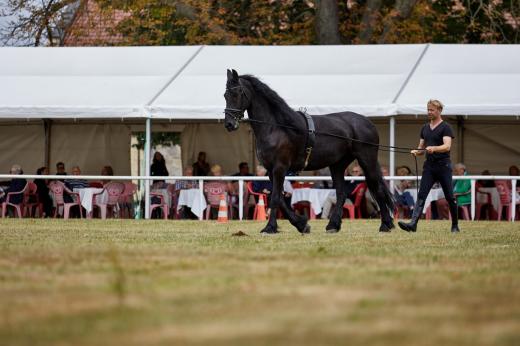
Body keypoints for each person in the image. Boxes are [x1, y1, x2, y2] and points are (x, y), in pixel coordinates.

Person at [398, 99, 460, 233]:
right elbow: (421, 149)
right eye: (428, 109)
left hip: (443, 166)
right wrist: (417, 151)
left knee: (449, 196)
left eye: (432, 110)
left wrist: (434, 148)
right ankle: (413, 224)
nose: (429, 112)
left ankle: (455, 225)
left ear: (439, 111)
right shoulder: (425, 128)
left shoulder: (446, 127)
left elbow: (447, 146)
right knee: (422, 195)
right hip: (429, 167)